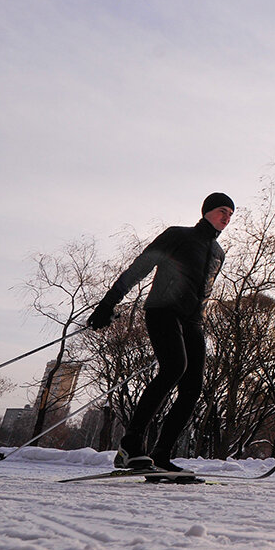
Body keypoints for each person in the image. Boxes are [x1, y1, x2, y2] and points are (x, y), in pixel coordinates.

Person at [86, 193, 234, 471]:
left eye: (230, 214)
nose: (226, 217)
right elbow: (141, 266)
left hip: (193, 321)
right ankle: (130, 445)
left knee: (193, 388)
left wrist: (198, 320)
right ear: (206, 211)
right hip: (163, 310)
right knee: (174, 367)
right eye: (222, 210)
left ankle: (162, 455)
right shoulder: (178, 235)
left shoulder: (218, 252)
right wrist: (108, 303)